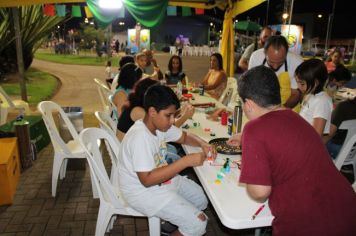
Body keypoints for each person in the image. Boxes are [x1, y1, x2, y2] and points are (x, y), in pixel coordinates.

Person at [228, 65, 356, 236]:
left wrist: (248, 162)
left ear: (249, 104)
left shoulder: (254, 129)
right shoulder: (296, 118)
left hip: (313, 226)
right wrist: (245, 139)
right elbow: (282, 140)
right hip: (347, 211)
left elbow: (259, 192)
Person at [118, 84, 216, 236]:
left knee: (201, 199)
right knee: (198, 223)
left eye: (174, 115)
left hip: (161, 181)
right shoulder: (140, 138)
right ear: (152, 112)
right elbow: (146, 180)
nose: (172, 120)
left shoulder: (159, 126)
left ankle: (173, 220)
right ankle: (183, 222)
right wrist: (184, 162)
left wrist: (204, 144)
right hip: (142, 192)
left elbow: (184, 136)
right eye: (168, 115)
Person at [249, 35, 303, 110]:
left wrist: (280, 111)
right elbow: (252, 87)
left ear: (287, 53)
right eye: (271, 62)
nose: (275, 67)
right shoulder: (256, 57)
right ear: (264, 52)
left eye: (281, 62)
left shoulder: (297, 62)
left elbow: (295, 94)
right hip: (262, 105)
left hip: (288, 108)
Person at [295, 59, 333, 136]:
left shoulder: (322, 101)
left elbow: (317, 135)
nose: (298, 87)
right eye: (297, 82)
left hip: (309, 144)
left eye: (302, 84)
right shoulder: (310, 95)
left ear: (316, 83)